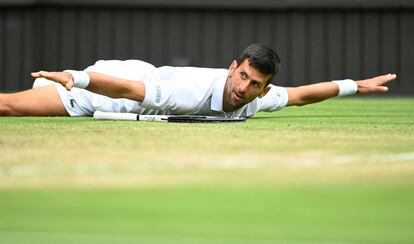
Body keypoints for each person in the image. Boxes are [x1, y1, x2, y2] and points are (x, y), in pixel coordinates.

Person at [0, 44, 395, 118]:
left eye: (255, 84)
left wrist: (354, 86)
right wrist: (77, 79)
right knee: (8, 106)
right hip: (107, 91)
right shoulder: (190, 92)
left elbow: (301, 95)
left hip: (138, 77)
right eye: (242, 76)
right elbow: (125, 90)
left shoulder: (258, 97)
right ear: (231, 67)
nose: (244, 88)